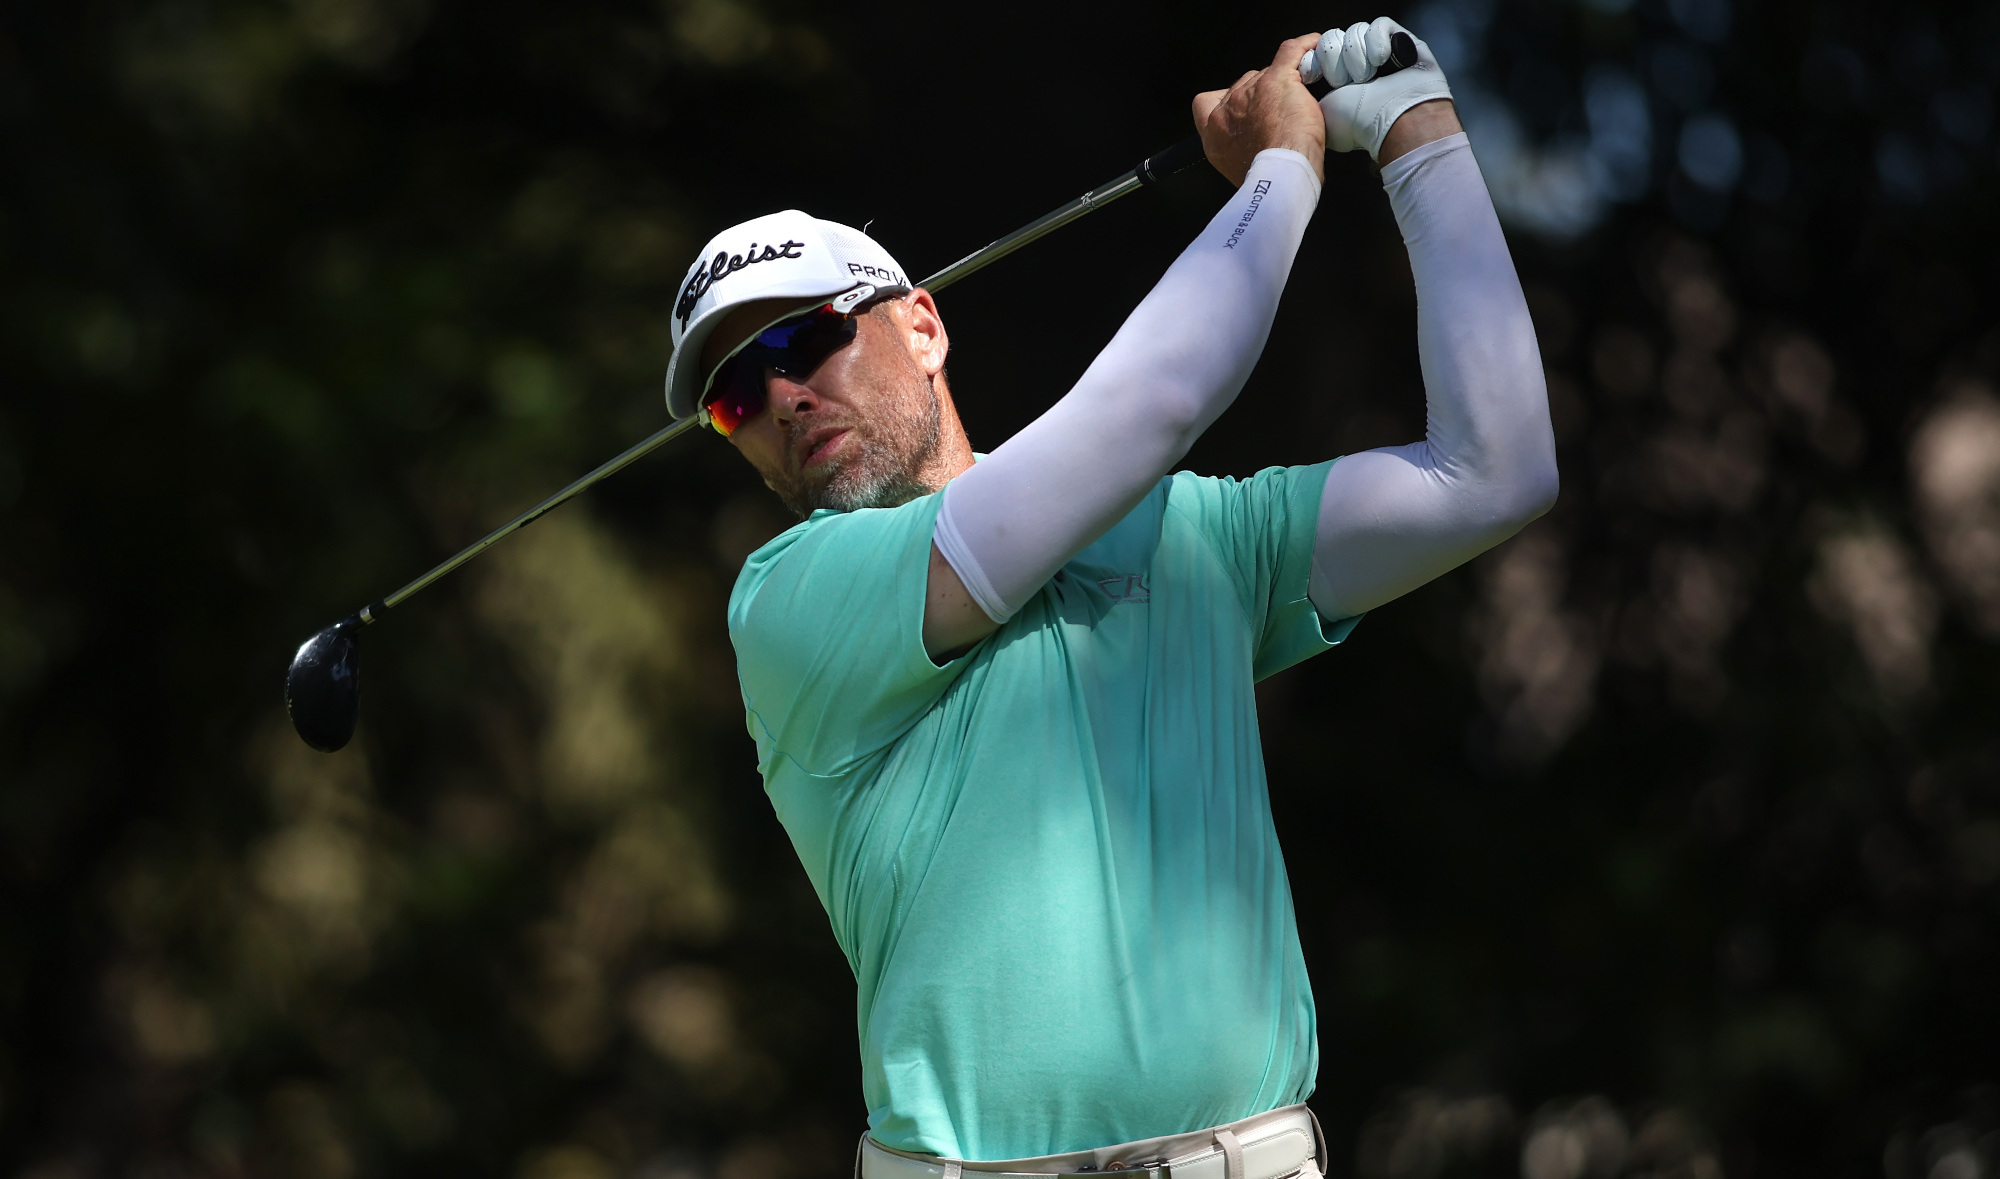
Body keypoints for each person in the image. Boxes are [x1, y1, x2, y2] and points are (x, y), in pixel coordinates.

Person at [660, 18, 1557, 1179]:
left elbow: (1492, 474)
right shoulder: (787, 605)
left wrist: (1412, 130)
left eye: (802, 339)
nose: (781, 395)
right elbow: (1153, 404)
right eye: (734, 395)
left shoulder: (1195, 536)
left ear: (921, 325)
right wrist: (1283, 164)